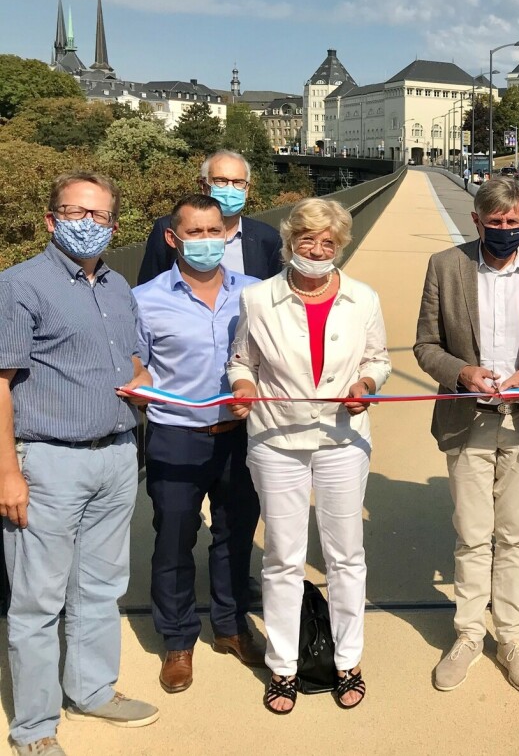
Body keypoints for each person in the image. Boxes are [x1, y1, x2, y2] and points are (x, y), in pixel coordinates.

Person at [0, 171, 160, 755]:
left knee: (100, 586)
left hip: (117, 455)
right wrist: (6, 472)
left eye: (99, 216)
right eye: (75, 212)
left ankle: (92, 688)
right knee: (37, 599)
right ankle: (35, 729)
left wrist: (142, 381)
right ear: (51, 220)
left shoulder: (118, 286)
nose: (88, 225)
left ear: (114, 224)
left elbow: (135, 358)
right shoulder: (19, 286)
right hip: (47, 462)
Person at [414, 177, 519, 695]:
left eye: (513, 222)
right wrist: (462, 373)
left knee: (512, 535)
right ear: (477, 221)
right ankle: (467, 633)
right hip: (469, 418)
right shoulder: (446, 266)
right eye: (495, 222)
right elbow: (425, 344)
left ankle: (510, 636)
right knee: (471, 532)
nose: (505, 231)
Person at [228, 197, 391, 714]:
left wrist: (366, 383)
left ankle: (348, 659)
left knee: (345, 555)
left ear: (339, 246)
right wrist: (243, 387)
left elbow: (378, 359)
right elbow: (241, 361)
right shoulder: (257, 300)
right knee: (283, 556)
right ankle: (283, 665)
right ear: (289, 242)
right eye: (307, 239)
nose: (317, 250)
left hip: (343, 437)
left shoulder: (363, 298)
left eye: (328, 242)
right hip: (277, 439)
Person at [133, 194, 263, 694]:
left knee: (234, 537)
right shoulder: (143, 299)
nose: (208, 242)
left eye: (216, 233)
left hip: (239, 438)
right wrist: (138, 384)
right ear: (173, 238)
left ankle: (231, 627)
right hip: (175, 437)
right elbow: (136, 364)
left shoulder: (254, 293)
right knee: (173, 542)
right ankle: (178, 639)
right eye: (196, 233)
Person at [137, 150, 283, 284]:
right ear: (203, 185)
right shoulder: (168, 229)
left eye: (238, 182)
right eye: (221, 181)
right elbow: (149, 287)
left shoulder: (268, 239)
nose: (229, 189)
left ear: (247, 189)